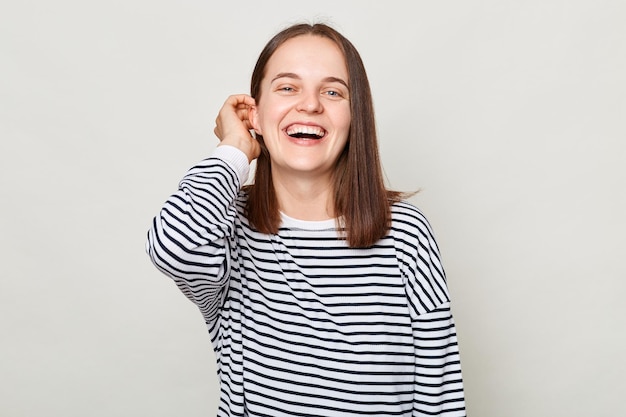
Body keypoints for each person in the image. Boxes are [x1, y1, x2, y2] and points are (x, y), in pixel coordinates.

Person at [146, 22, 466, 417]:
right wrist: (233, 149)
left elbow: (440, 395)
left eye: (332, 92)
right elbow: (172, 249)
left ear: (354, 119)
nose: (311, 105)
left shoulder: (406, 233)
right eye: (287, 87)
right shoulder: (226, 229)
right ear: (256, 116)